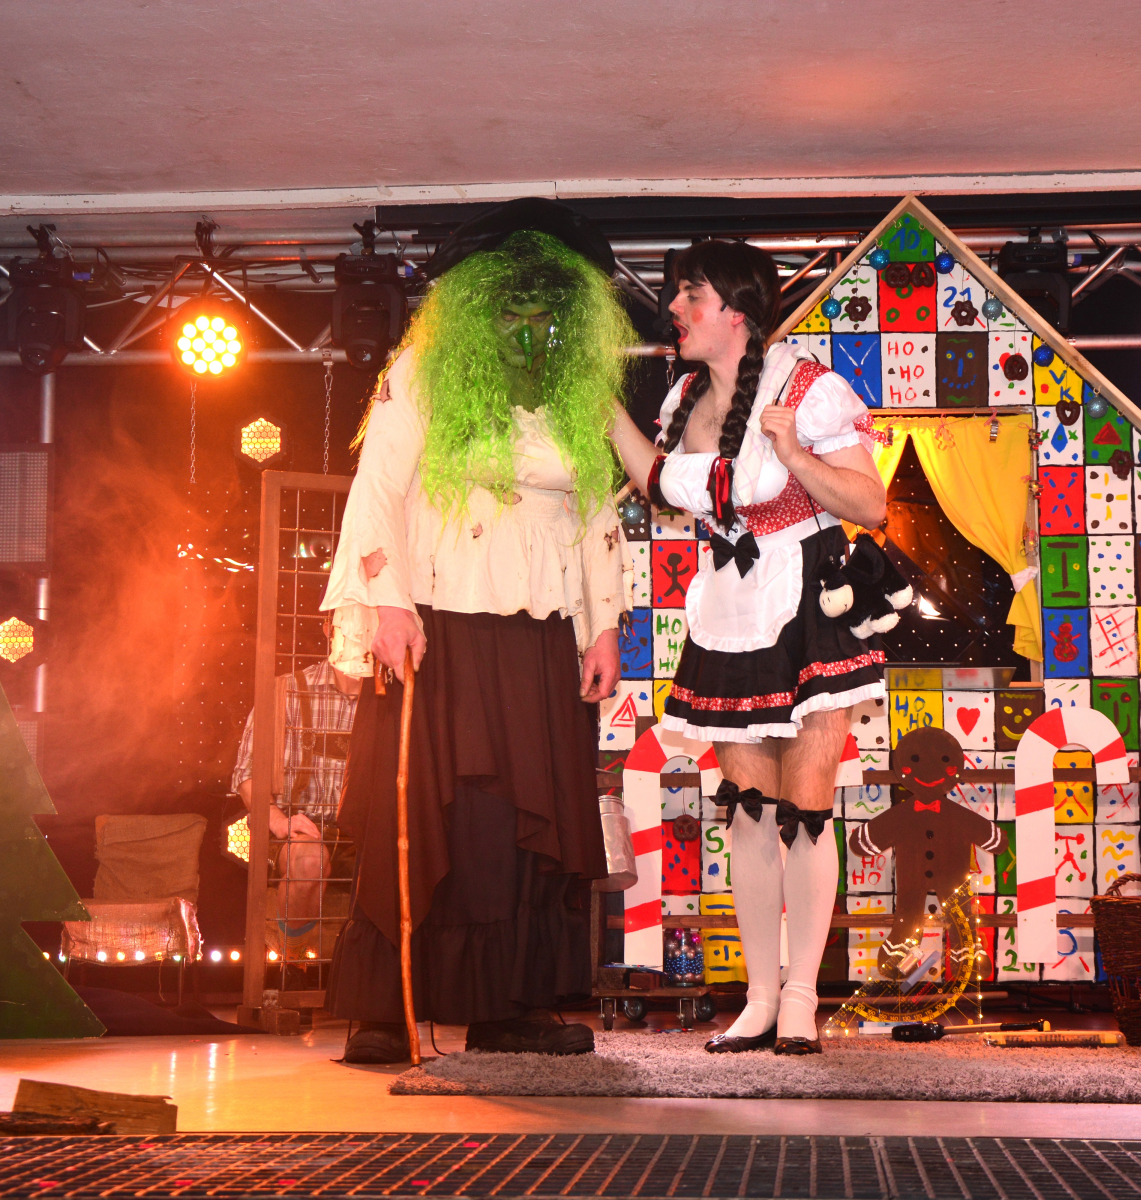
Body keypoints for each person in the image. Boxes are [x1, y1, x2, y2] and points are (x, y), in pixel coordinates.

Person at [321, 199, 630, 1063]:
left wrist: (604, 627)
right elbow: (377, 489)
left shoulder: (575, 393)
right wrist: (387, 603)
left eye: (545, 313)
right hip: (440, 629)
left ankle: (505, 1007)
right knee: (429, 813)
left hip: (537, 637)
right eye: (511, 310)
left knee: (515, 828)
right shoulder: (421, 370)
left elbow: (598, 515)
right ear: (476, 307)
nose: (529, 328)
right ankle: (388, 1008)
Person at [607, 240, 887, 1054]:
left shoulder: (809, 387)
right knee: (749, 812)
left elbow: (870, 505)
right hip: (729, 608)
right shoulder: (683, 398)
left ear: (736, 310)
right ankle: (760, 997)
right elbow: (658, 483)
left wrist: (794, 453)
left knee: (806, 806)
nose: (674, 308)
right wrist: (600, 406)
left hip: (808, 602)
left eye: (690, 294)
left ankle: (801, 997)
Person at [229, 616, 355, 943]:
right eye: (351, 619)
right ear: (328, 627)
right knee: (310, 860)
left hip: (365, 830)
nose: (362, 631)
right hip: (296, 825)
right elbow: (246, 775)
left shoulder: (397, 700)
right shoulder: (284, 691)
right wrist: (279, 822)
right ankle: (295, 956)